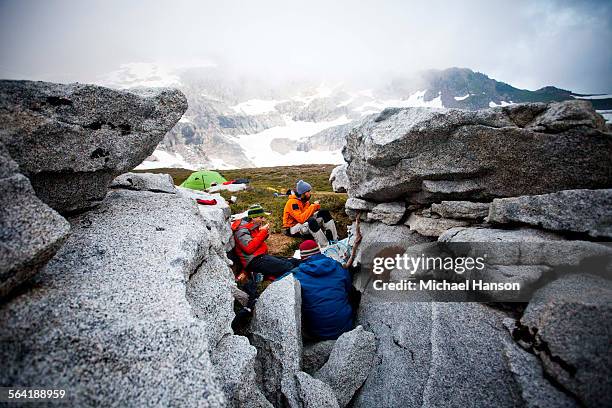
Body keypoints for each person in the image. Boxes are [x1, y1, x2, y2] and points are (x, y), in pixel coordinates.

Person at [282, 240, 353, 340]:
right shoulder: (338, 266)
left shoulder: (297, 275)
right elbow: (348, 291)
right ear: (319, 252)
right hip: (345, 327)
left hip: (318, 332)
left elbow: (279, 284)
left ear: (302, 258)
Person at [231, 204, 300, 280]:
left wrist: (263, 233)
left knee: (294, 261)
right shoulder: (241, 230)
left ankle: (266, 275)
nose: (263, 219)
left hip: (261, 256)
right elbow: (249, 248)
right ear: (253, 217)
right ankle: (264, 275)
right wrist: (263, 232)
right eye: (261, 217)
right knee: (288, 266)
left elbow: (255, 241)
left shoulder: (252, 225)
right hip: (254, 261)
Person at [283, 179, 338, 248]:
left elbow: (308, 214)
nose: (310, 193)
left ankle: (334, 241)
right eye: (308, 191)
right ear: (303, 193)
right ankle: (325, 246)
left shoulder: (305, 201)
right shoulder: (292, 203)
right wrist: (313, 206)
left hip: (303, 224)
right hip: (292, 228)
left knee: (324, 213)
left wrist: (316, 208)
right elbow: (301, 219)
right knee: (311, 221)